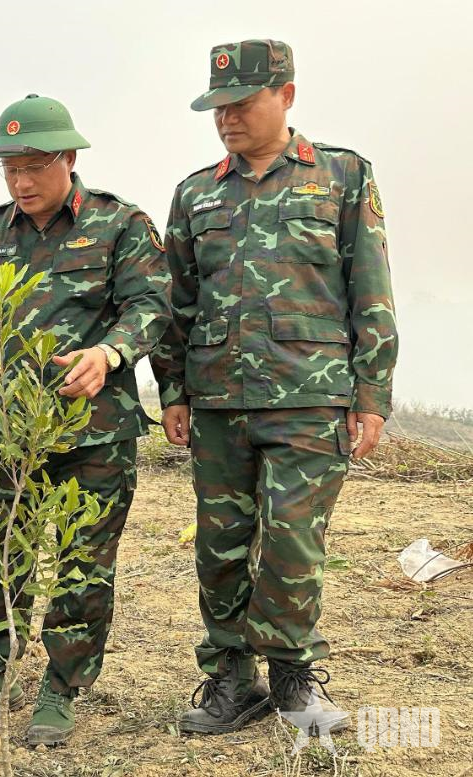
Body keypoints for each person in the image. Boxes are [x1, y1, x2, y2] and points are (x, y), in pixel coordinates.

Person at [150, 40, 398, 735]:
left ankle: (292, 681)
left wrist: (371, 395)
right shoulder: (197, 192)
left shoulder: (343, 177)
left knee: (293, 546)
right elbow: (178, 301)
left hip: (310, 397)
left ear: (286, 95)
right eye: (217, 107)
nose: (226, 118)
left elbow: (370, 290)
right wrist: (171, 388)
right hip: (219, 402)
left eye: (241, 104)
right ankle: (233, 679)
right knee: (220, 547)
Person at [0, 94, 171, 745]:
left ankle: (61, 685)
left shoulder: (120, 224)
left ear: (69, 156)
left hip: (96, 436)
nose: (22, 181)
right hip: (13, 432)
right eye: (10, 168)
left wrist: (108, 351)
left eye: (35, 165)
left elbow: (153, 303)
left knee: (82, 564)